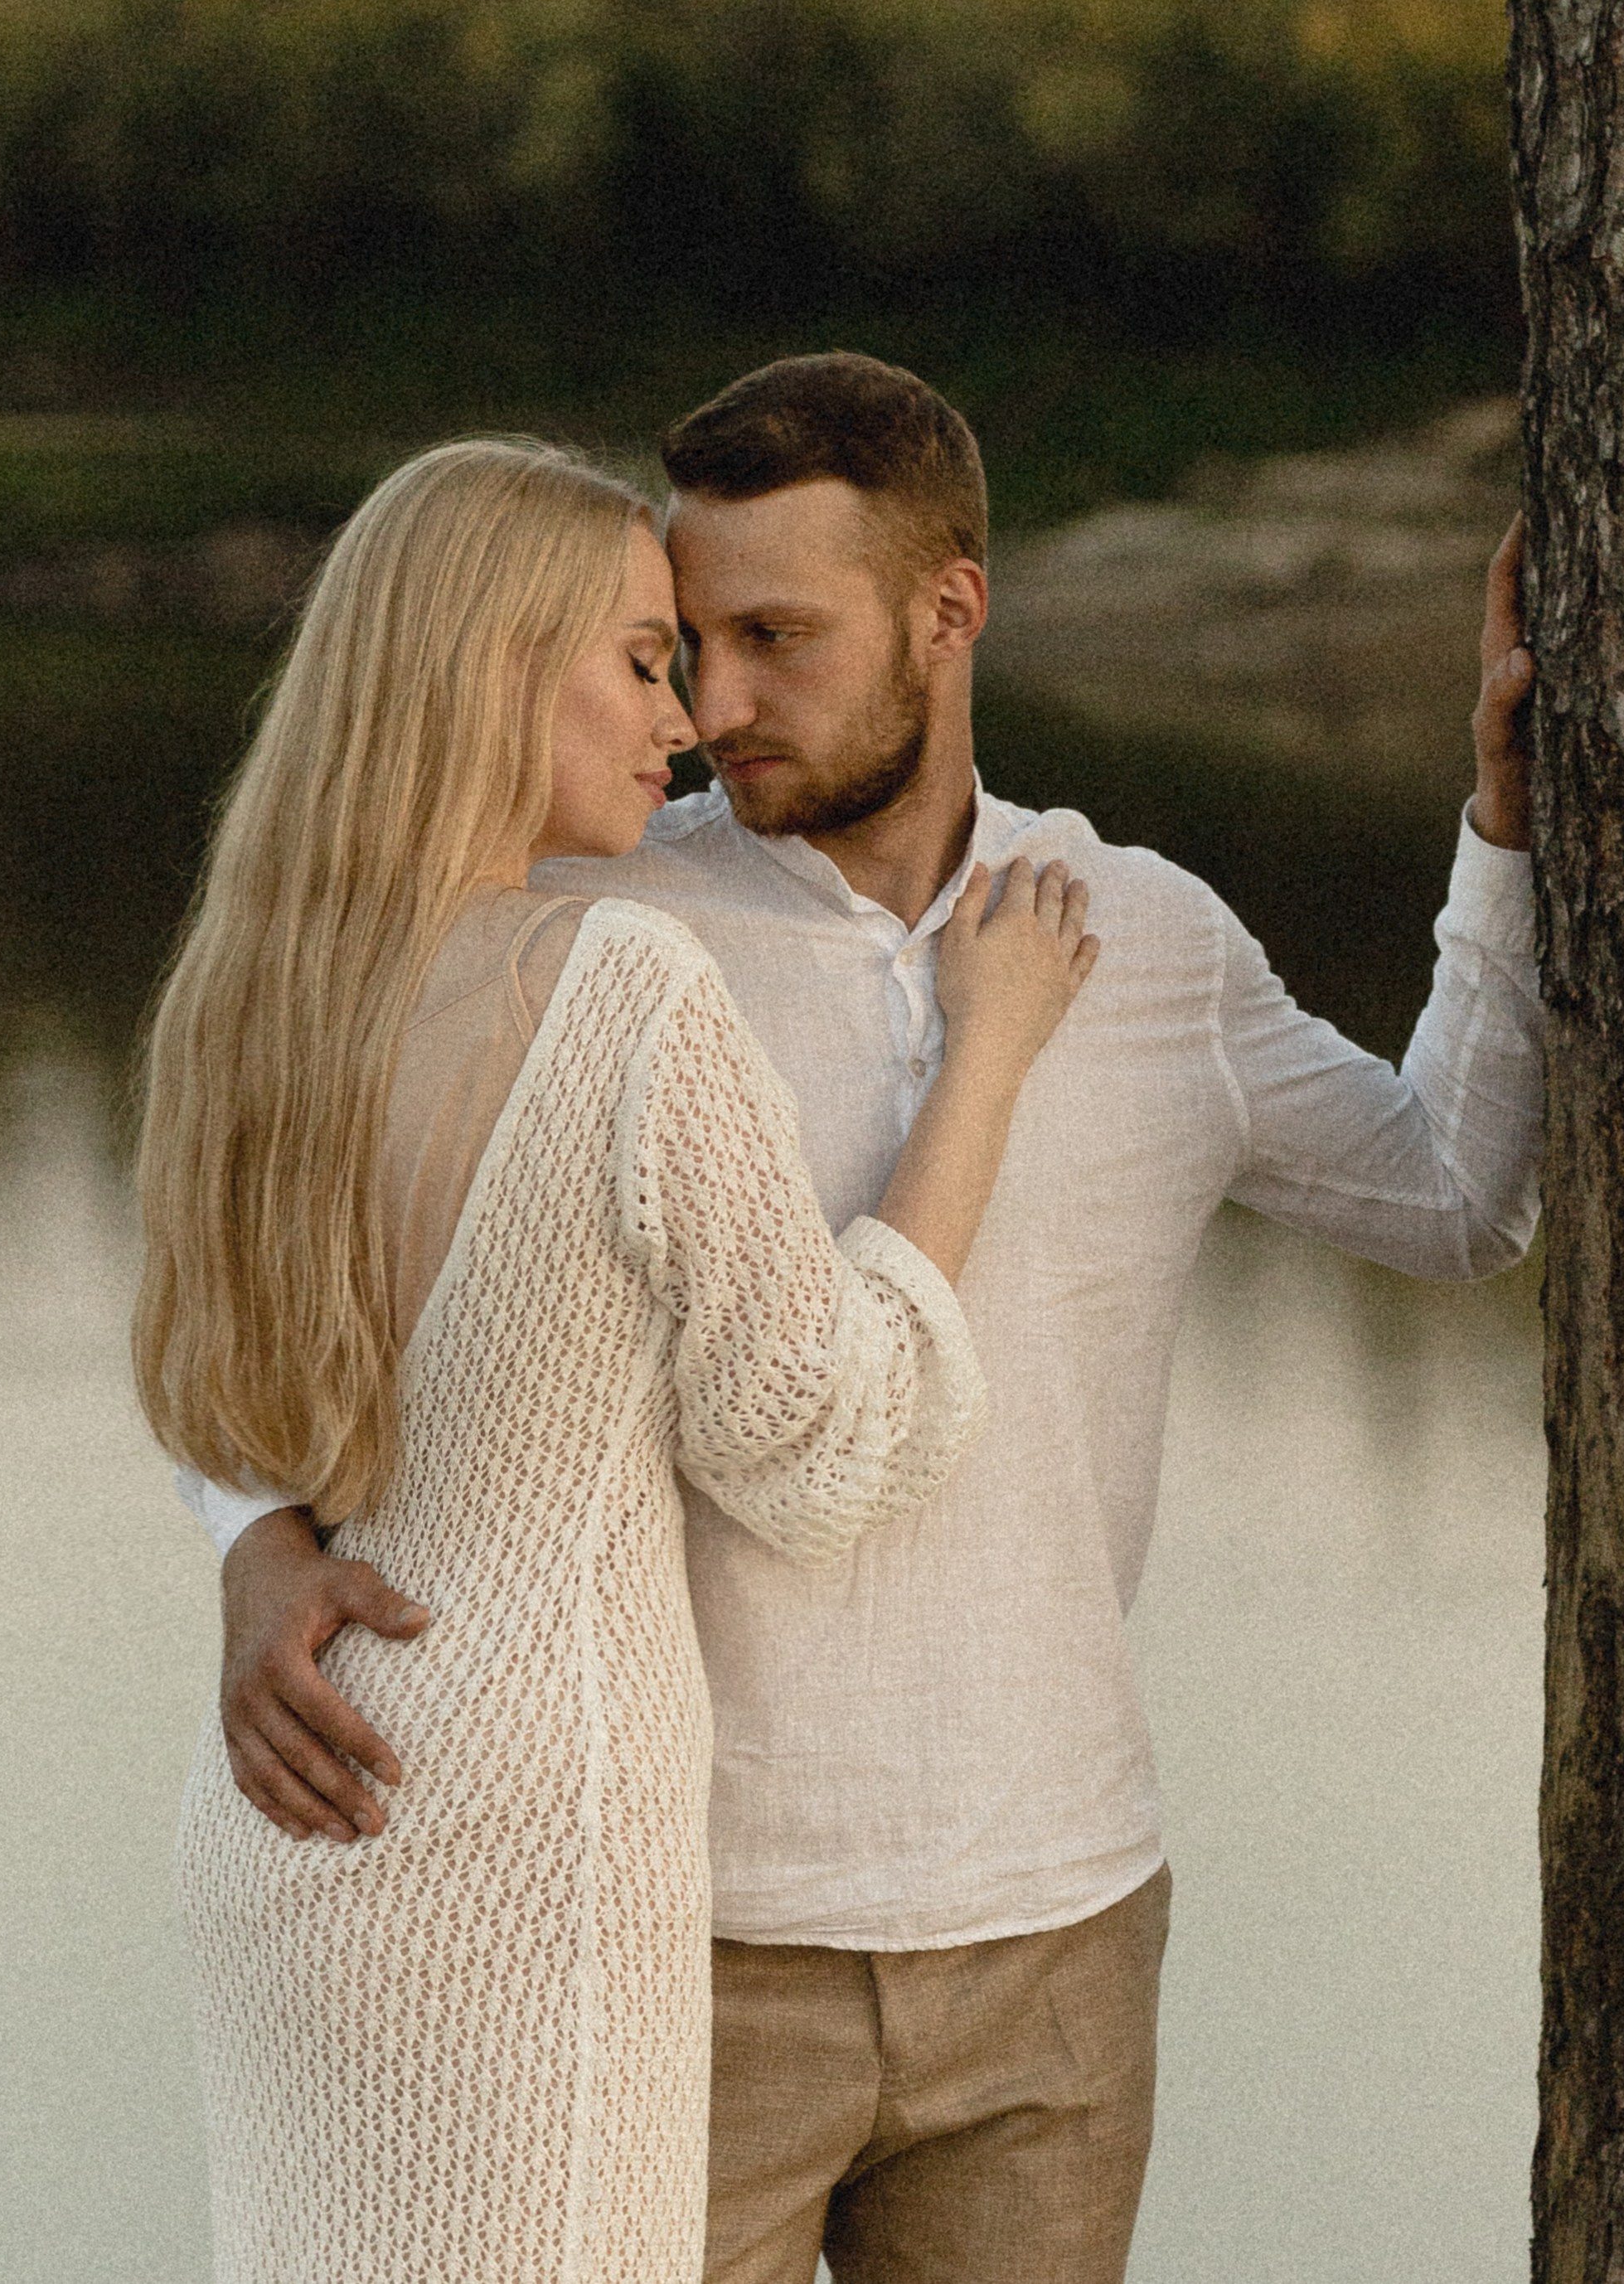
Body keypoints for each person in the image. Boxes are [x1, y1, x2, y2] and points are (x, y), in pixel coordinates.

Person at [187, 356, 1544, 2284]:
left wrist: (1502, 834)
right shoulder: (588, 918)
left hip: (1052, 1936)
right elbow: (272, 1238)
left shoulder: (1137, 928)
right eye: (684, 642)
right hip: (676, 1942)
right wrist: (246, 1531)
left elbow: (1456, 1197)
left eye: (773, 637)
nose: (713, 706)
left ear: (947, 610)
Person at [135, 433, 1099, 2284]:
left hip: (287, 1817)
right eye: (643, 659)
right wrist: (985, 1053)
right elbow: (825, 1440)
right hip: (526, 1853)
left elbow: (207, 1387)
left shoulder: (254, 999)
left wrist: (260, 1540)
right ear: (494, 661)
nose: (686, 723)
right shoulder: (623, 986)